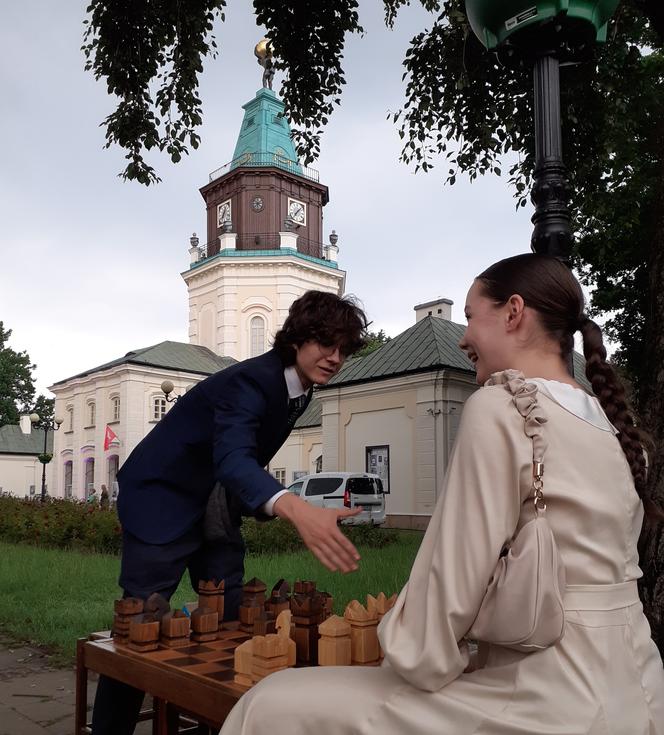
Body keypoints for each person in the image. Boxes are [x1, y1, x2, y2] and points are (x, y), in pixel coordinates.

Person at [221, 254, 664, 735]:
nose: (463, 336)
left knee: (270, 703)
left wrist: (405, 645)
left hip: (551, 695)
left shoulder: (503, 406)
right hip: (639, 688)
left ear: (513, 312)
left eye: (472, 316)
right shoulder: (615, 428)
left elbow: (444, 603)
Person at [91, 290, 368, 735]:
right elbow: (236, 458)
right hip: (161, 499)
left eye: (343, 349)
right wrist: (294, 507)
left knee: (232, 609)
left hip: (214, 504)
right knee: (140, 624)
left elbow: (238, 462)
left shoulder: (298, 389)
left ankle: (218, 720)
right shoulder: (252, 381)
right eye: (325, 344)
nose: (335, 358)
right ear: (297, 339)